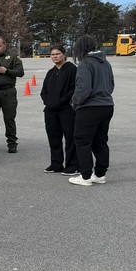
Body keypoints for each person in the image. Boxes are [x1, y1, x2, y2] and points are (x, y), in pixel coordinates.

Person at [68, 35, 114, 187]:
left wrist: (75, 102)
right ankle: (100, 174)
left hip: (89, 107)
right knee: (100, 140)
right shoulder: (105, 63)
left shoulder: (85, 64)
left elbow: (83, 88)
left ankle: (85, 175)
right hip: (107, 105)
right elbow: (111, 84)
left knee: (82, 140)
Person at [40, 45, 78, 176]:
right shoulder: (50, 72)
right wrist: (48, 102)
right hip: (50, 111)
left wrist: (60, 101)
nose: (55, 56)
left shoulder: (72, 69)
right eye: (52, 54)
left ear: (64, 55)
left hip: (66, 110)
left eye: (57, 54)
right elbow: (43, 91)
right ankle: (56, 164)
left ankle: (72, 165)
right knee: (53, 137)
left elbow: (73, 90)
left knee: (70, 138)